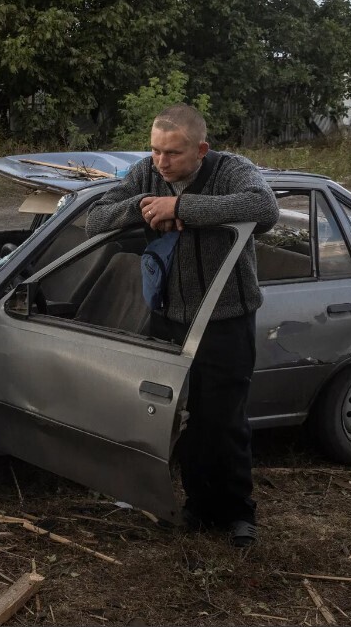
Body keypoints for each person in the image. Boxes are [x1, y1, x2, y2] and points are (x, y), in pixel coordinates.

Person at [86, 104, 278, 547]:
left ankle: (237, 514)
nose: (161, 162)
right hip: (168, 318)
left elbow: (263, 209)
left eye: (172, 153)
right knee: (178, 418)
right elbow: (95, 219)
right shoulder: (146, 174)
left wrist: (184, 207)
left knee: (224, 419)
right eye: (155, 150)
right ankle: (196, 505)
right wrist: (146, 205)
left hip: (225, 318)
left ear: (201, 150)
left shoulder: (232, 170)